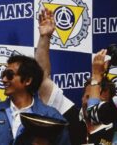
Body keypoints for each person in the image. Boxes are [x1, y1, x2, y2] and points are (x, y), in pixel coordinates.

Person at [0, 54, 70, 145]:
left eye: (9, 75)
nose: (3, 80)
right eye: (3, 75)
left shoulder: (52, 118)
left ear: (27, 80)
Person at [34, 8, 98, 145]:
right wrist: (45, 37)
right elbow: (42, 77)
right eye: (87, 97)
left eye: (95, 98)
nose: (88, 103)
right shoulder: (69, 113)